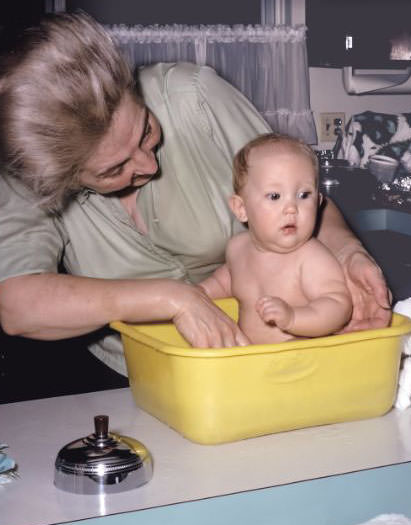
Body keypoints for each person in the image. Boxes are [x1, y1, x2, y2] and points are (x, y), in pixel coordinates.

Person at [0, 12, 390, 378]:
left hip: (263, 357)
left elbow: (292, 195)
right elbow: (17, 304)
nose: (149, 166)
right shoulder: (31, 172)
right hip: (130, 372)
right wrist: (173, 299)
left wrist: (347, 252)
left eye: (146, 131)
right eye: (114, 170)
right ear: (61, 180)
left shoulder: (193, 98)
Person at [199, 134, 352, 344]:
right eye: (275, 196)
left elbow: (338, 306)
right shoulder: (237, 248)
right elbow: (225, 280)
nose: (291, 208)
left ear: (318, 202)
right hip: (248, 358)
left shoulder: (311, 258)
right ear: (241, 209)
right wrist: (200, 293)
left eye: (304, 195)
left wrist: (293, 317)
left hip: (299, 361)